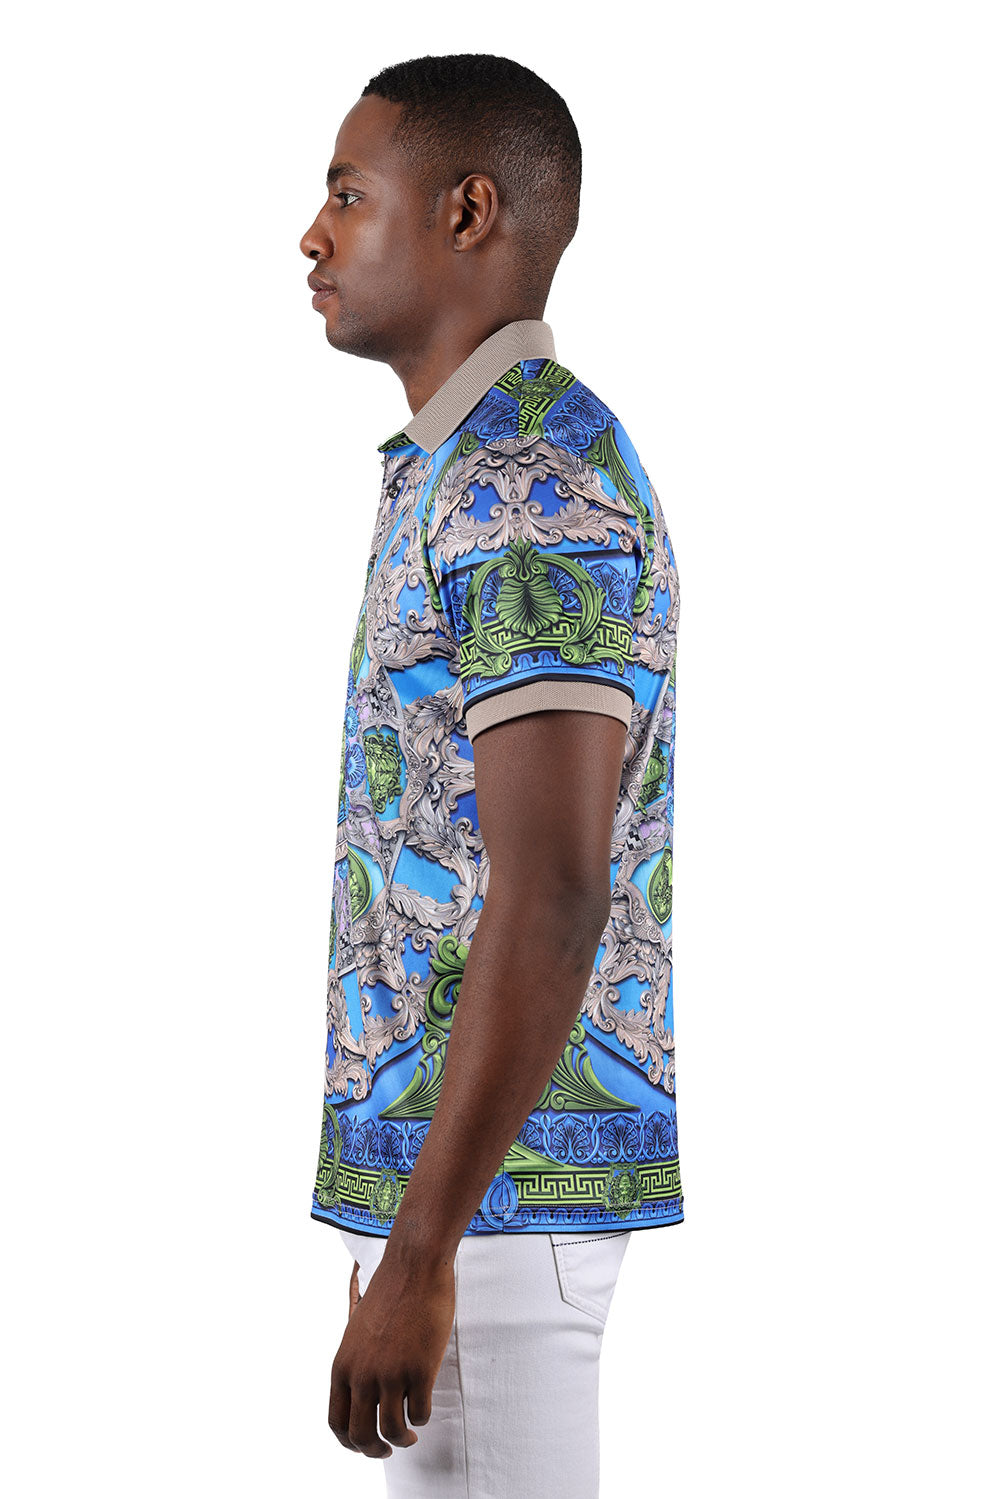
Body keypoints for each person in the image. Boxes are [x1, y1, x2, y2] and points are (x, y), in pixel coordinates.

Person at [299, 52, 683, 1499]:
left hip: (492, 1223)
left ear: (467, 212)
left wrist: (422, 1253)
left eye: (349, 194)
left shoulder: (528, 484)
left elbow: (558, 895)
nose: (313, 235)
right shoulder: (464, 466)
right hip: (468, 1209)